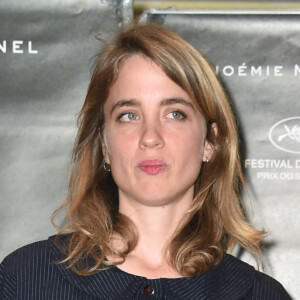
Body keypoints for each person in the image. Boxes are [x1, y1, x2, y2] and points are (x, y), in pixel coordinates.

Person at [0, 22, 291, 299]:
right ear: (104, 143)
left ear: (210, 142)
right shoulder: (23, 279)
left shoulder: (260, 294)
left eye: (175, 113)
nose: (150, 137)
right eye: (129, 115)